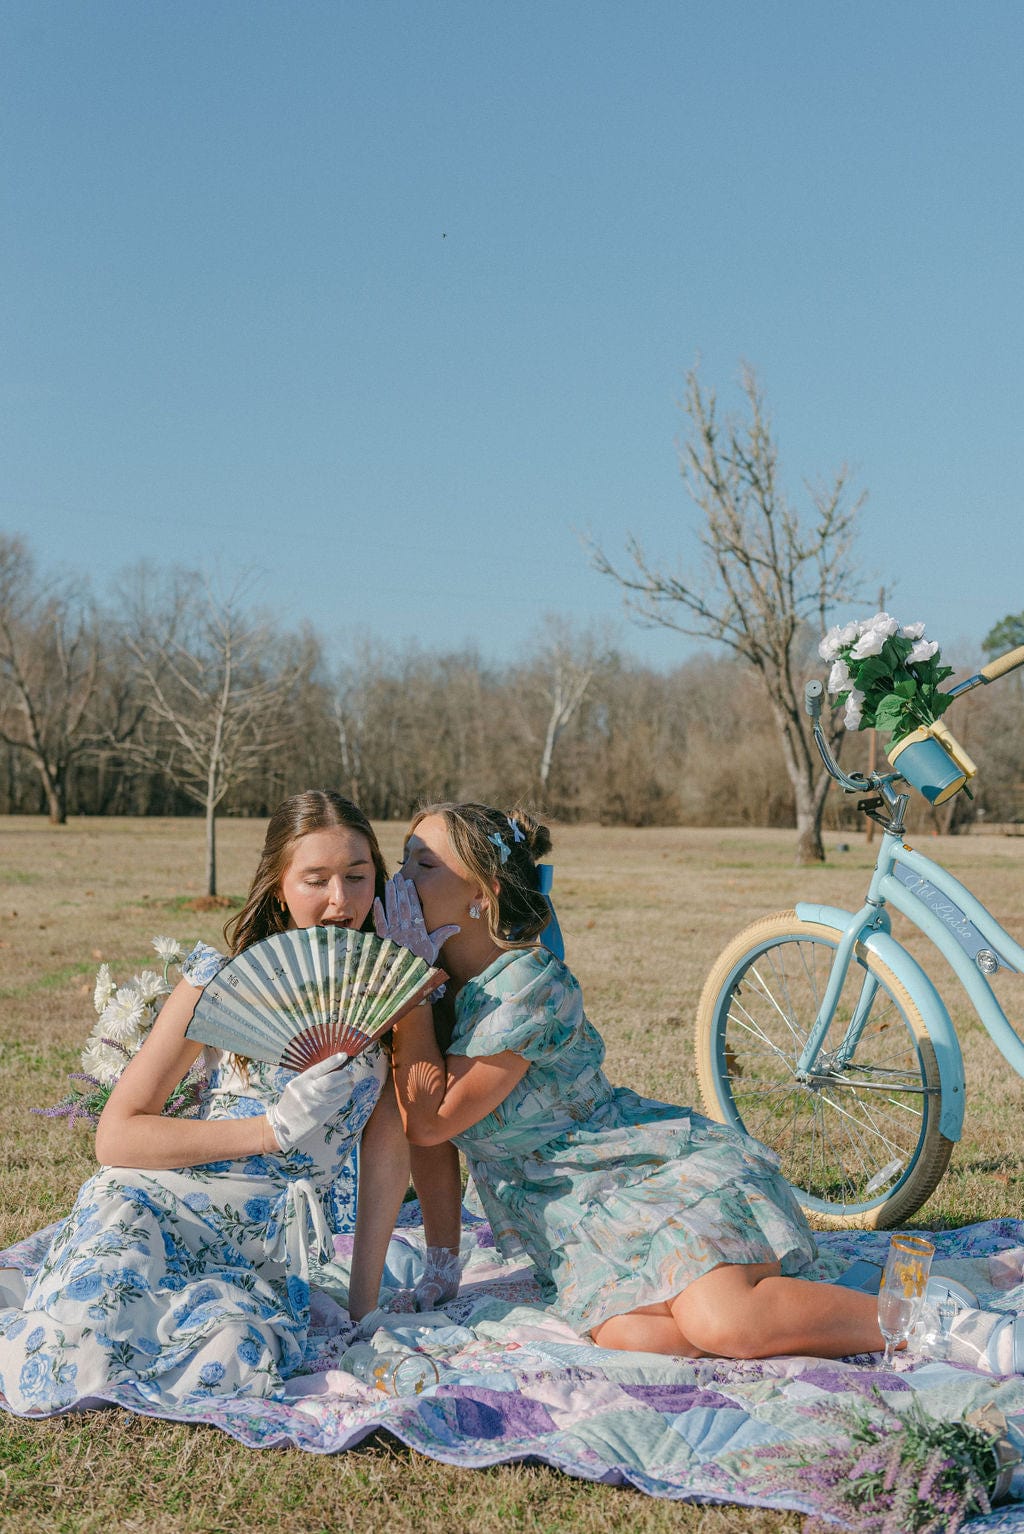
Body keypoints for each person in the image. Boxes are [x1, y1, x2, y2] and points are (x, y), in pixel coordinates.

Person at [385, 801, 893, 1362]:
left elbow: (431, 1122)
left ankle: (929, 1317)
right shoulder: (429, 991)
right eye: (403, 861)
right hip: (577, 1218)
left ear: (483, 892)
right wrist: (440, 1265)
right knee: (643, 1338)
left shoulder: (526, 984)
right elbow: (418, 1131)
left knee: (724, 1322)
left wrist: (407, 988)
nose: (400, 881)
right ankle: (807, 1302)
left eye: (423, 866)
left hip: (643, 1173)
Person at [0, 789, 442, 1417]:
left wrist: (363, 1307)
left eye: (357, 876)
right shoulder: (217, 982)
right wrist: (270, 1129)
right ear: (278, 885)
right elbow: (116, 1138)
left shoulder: (392, 995)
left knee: (237, 1355)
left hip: (266, 1249)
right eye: (315, 879)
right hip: (152, 1206)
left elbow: (389, 1150)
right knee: (70, 1357)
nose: (340, 900)